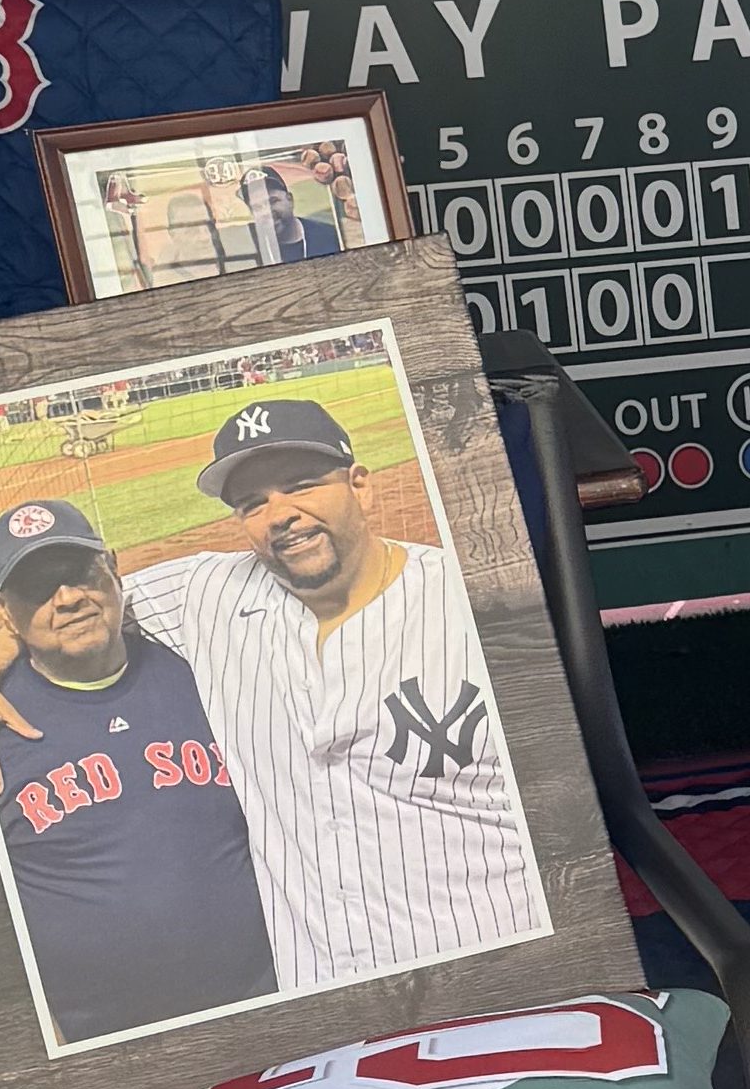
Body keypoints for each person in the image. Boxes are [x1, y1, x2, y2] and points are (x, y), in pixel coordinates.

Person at [120, 394, 557, 997]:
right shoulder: (207, 596)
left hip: (496, 966)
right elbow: (61, 607)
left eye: (301, 485)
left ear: (361, 486)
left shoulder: (474, 604)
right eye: (253, 503)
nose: (280, 514)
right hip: (326, 1003)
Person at [0, 493, 276, 1048]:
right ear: (1, 610)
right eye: (37, 587)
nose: (67, 598)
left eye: (80, 572)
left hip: (270, 1000)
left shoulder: (203, 667)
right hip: (101, 1043)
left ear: (112, 565)